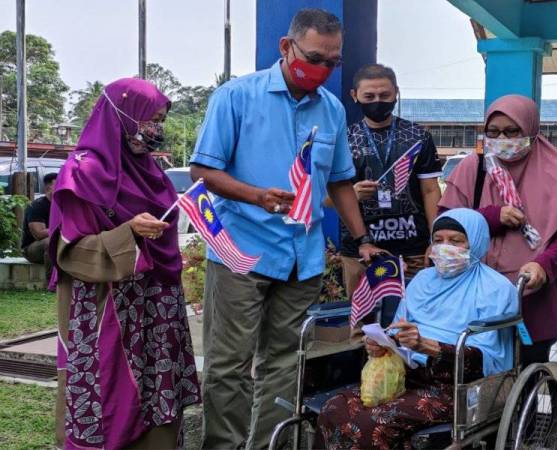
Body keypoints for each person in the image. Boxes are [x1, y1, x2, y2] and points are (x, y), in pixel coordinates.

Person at [189, 8, 384, 450]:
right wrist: (255, 195)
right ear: (286, 47)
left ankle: (267, 446)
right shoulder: (236, 97)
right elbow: (203, 170)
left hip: (302, 257)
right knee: (229, 366)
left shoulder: (331, 108)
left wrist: (363, 238)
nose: (323, 69)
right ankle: (224, 445)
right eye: (315, 57)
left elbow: (339, 180)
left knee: (284, 364)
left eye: (332, 62)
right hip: (242, 251)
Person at [49, 78, 200, 449]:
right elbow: (70, 251)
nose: (156, 130)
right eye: (150, 120)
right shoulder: (84, 173)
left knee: (159, 399)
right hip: (107, 307)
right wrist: (127, 234)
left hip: (156, 305)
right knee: (111, 401)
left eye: (161, 121)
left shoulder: (153, 174)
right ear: (121, 116)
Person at [317, 208, 518, 449]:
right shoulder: (423, 280)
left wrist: (425, 345)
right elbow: (398, 329)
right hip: (405, 376)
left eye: (456, 241)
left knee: (369, 425)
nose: (444, 248)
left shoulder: (495, 289)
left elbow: (487, 361)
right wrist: (382, 343)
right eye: (438, 240)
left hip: (456, 388)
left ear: (476, 242)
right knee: (333, 409)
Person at [439, 94, 557, 366]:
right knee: (473, 373)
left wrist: (543, 266)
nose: (503, 139)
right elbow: (448, 223)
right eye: (493, 132)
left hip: (530, 293)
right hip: (476, 292)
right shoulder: (474, 167)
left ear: (530, 129)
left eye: (512, 131)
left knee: (527, 371)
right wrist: (493, 217)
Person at [337, 64, 442, 323]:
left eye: (384, 95)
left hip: (415, 250)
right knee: (365, 329)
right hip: (361, 253)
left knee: (416, 325)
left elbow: (430, 191)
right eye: (369, 97)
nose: (377, 102)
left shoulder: (419, 136)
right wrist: (351, 194)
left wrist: (435, 240)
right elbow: (326, 198)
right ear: (354, 96)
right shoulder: (343, 140)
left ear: (396, 93)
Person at [21, 172, 57, 281]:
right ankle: (52, 282)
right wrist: (63, 229)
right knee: (51, 241)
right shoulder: (37, 206)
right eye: (59, 183)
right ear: (48, 187)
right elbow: (39, 234)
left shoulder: (65, 205)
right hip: (31, 249)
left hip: (58, 243)